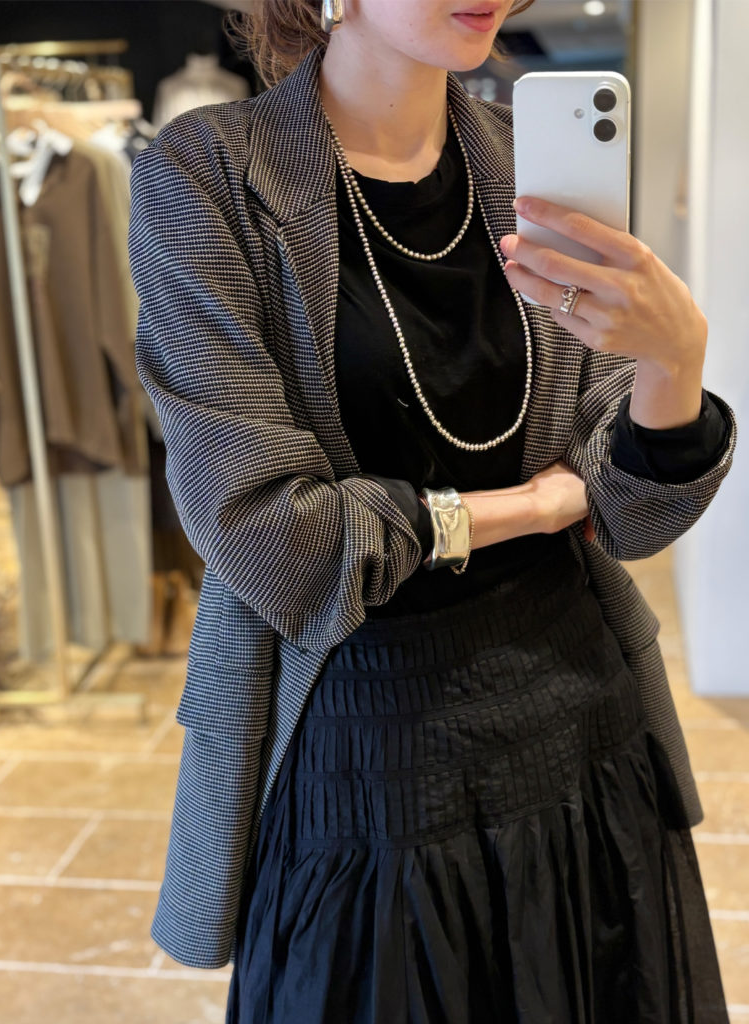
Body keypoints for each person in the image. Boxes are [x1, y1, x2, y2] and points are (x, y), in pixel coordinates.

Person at [128, 1, 737, 1020]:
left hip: (583, 725)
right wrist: (529, 506)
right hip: (365, 742)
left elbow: (629, 512)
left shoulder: (531, 162)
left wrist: (673, 365)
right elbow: (271, 538)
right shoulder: (210, 176)